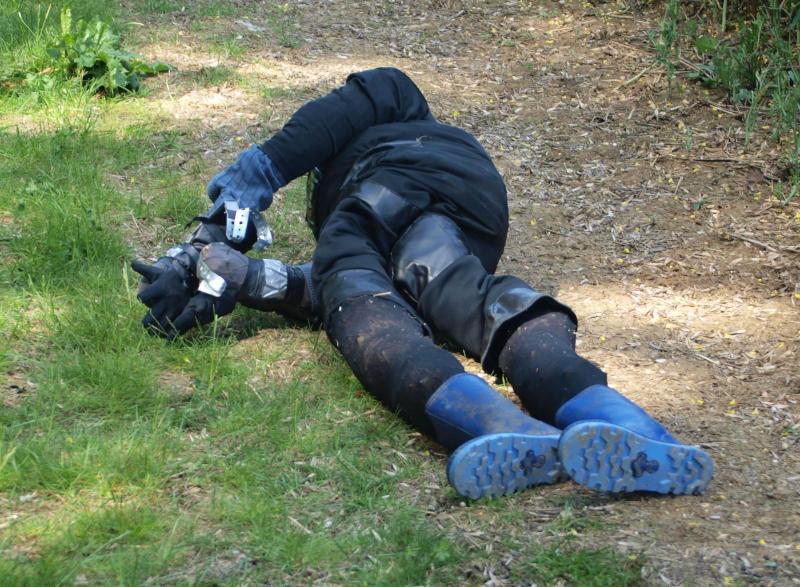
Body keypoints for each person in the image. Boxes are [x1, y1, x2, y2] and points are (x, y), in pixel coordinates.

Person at [132, 68, 714, 499]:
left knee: (365, 313)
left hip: (388, 188)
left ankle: (501, 426)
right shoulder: (404, 191)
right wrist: (249, 277)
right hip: (469, 214)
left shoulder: (397, 100)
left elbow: (343, 273)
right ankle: (629, 426)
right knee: (472, 299)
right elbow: (330, 283)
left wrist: (246, 186)